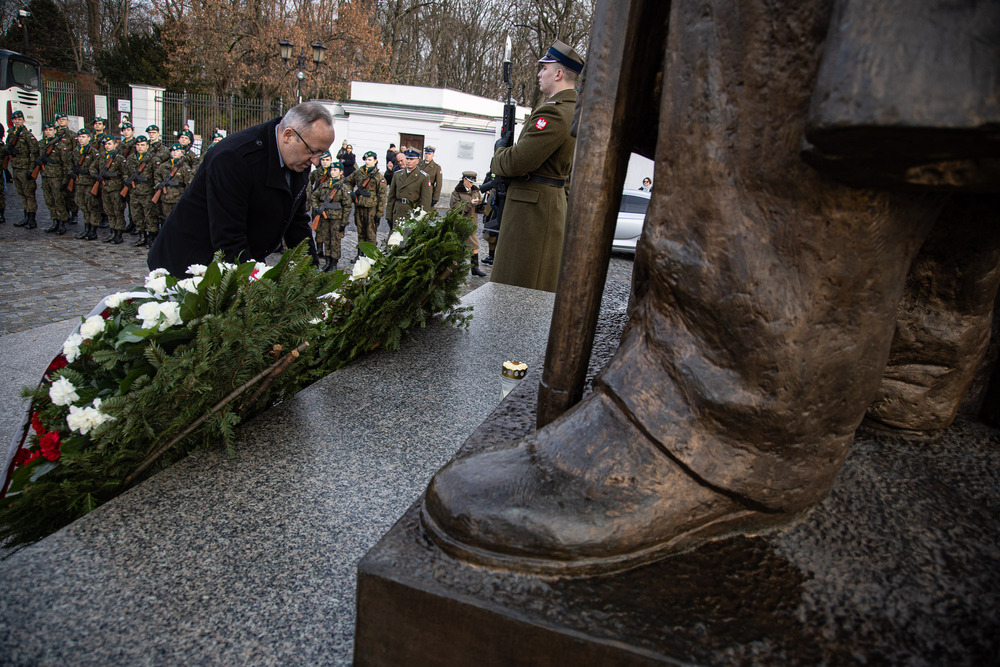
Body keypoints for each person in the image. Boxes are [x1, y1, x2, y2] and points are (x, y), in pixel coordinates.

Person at [147, 101, 336, 277]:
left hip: (241, 255)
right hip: (190, 264)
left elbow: (297, 222)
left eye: (321, 153)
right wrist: (256, 284)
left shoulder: (298, 158)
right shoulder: (235, 157)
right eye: (313, 151)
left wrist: (312, 276)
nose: (316, 161)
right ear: (288, 135)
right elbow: (228, 237)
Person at [488, 40, 583, 292]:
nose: (540, 73)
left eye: (544, 68)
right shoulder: (574, 110)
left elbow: (518, 161)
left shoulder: (553, 113)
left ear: (559, 74)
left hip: (532, 211)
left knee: (519, 285)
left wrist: (499, 152)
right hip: (548, 204)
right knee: (536, 282)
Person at [310, 159, 352, 271]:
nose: (332, 172)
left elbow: (347, 206)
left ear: (341, 172)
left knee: (335, 241)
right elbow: (314, 196)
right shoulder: (324, 185)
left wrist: (344, 222)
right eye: (331, 170)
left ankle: (334, 263)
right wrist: (317, 208)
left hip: (336, 219)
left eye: (335, 170)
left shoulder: (343, 187)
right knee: (326, 239)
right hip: (324, 217)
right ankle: (327, 261)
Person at [36, 121, 73, 235]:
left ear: (55, 131)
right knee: (49, 200)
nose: (48, 132)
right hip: (45, 176)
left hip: (57, 177)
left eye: (50, 130)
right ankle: (55, 221)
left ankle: (62, 223)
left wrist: (65, 181)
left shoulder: (60, 146)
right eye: (46, 130)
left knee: (59, 200)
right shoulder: (41, 143)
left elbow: (66, 164)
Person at [449, 171, 488, 277]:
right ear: (464, 179)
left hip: (472, 223)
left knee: (475, 246)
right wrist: (470, 204)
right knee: (458, 247)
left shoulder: (475, 190)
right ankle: (452, 269)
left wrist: (482, 205)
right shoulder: (457, 192)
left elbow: (480, 208)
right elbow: (455, 208)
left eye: (473, 182)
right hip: (461, 223)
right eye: (470, 182)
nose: (471, 184)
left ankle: (475, 269)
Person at [347, 150, 387, 255]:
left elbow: (382, 196)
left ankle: (371, 256)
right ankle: (360, 254)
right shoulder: (359, 172)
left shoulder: (379, 177)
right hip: (359, 206)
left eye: (370, 160)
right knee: (360, 232)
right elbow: (347, 182)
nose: (367, 162)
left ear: (375, 161)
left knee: (370, 234)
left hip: (371, 208)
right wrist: (350, 192)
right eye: (366, 160)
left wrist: (380, 212)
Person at [124, 135, 159, 247]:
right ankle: (142, 236)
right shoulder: (131, 159)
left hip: (147, 191)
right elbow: (126, 172)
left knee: (149, 216)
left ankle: (151, 238)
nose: (140, 147)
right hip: (134, 192)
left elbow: (156, 175)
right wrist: (127, 181)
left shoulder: (153, 159)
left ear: (147, 146)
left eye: (142, 145)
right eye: (138, 145)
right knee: (137, 215)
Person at [91, 135, 128, 244]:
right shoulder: (101, 156)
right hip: (104, 187)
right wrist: (95, 175)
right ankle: (112, 232)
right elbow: (92, 167)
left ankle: (119, 234)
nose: (107, 146)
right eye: (106, 144)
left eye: (109, 144)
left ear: (115, 144)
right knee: (109, 211)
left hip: (116, 188)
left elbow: (125, 173)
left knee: (118, 211)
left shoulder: (119, 158)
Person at [6, 110, 40, 229]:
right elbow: (7, 147)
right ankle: (26, 216)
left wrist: (31, 170)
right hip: (15, 167)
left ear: (23, 120)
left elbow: (34, 153)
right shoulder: (11, 133)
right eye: (15, 119)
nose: (17, 121)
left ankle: (32, 219)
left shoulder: (27, 135)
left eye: (19, 119)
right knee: (22, 194)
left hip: (25, 168)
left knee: (29, 194)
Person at [385, 148, 432, 228]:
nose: (408, 161)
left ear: (417, 161)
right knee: (394, 238)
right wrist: (389, 215)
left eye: (412, 159)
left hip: (412, 213)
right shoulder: (397, 174)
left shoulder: (423, 177)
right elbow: (391, 197)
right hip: (398, 212)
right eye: (407, 159)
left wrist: (422, 218)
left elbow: (426, 201)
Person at [71, 128, 101, 240]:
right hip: (79, 183)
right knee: (82, 205)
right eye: (79, 137)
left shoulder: (93, 152)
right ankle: (86, 228)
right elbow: (71, 164)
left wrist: (90, 173)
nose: (81, 139)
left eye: (83, 137)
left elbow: (97, 167)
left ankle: (93, 230)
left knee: (92, 206)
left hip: (90, 183)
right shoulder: (75, 151)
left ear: (89, 138)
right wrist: (72, 173)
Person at [152, 143, 194, 223]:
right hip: (166, 197)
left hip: (178, 198)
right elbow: (157, 175)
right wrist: (158, 184)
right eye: (173, 151)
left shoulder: (185, 167)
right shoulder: (164, 166)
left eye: (177, 151)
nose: (175, 153)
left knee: (178, 220)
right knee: (166, 219)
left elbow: (188, 184)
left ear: (182, 153)